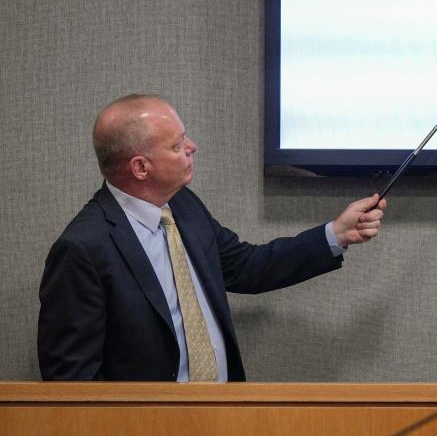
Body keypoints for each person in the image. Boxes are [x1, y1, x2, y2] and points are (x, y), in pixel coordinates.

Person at [37, 94, 386, 382]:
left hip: (221, 415)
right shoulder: (82, 248)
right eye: (177, 145)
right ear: (141, 167)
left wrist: (336, 234)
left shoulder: (182, 205)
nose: (193, 146)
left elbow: (247, 267)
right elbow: (72, 385)